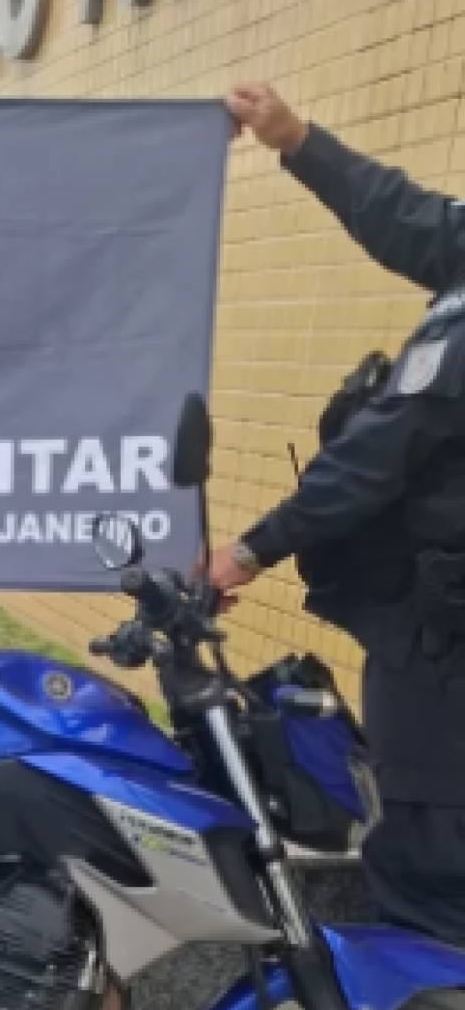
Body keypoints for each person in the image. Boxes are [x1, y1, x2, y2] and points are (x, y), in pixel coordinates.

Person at [210, 83, 465, 944]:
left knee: (432, 866)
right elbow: (415, 221)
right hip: (436, 632)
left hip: (447, 656)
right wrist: (297, 141)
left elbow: (381, 452)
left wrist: (250, 550)